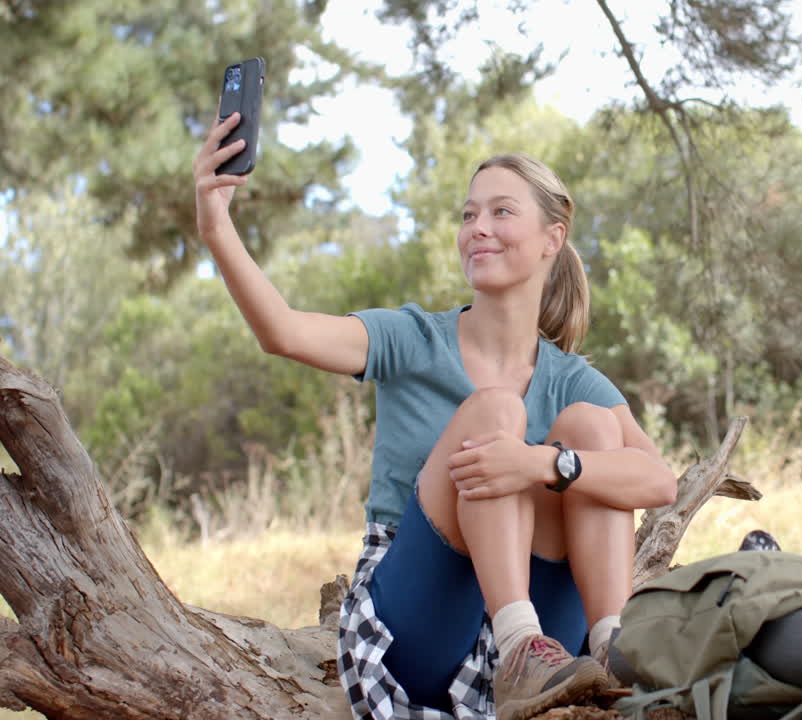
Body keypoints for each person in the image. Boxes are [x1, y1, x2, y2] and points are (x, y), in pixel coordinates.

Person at [193, 111, 677, 720]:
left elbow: (660, 481)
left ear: (553, 238)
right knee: (493, 412)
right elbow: (282, 332)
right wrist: (215, 225)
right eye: (469, 214)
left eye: (502, 212)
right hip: (423, 626)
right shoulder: (414, 339)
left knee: (590, 432)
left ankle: (613, 651)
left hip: (559, 636)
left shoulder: (574, 378)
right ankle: (518, 645)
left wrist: (540, 462)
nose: (479, 227)